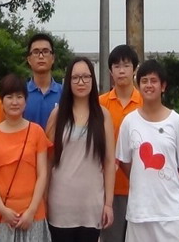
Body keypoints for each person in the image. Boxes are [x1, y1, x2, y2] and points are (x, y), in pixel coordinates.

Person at [116, 60, 179, 242]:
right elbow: (124, 162)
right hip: (139, 213)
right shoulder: (129, 122)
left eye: (154, 81)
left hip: (169, 214)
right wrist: (141, 180)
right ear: (138, 86)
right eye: (144, 81)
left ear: (163, 86)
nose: (149, 85)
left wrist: (169, 183)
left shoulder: (175, 121)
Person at [45, 57, 115, 242]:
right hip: (60, 206)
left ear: (92, 79)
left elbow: (109, 161)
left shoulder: (103, 116)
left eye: (86, 77)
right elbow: (47, 161)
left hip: (92, 206)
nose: (81, 82)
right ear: (68, 82)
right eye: (75, 78)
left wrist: (108, 204)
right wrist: (42, 200)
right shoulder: (57, 115)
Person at [0, 74, 51, 242]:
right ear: (1, 101)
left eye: (19, 97)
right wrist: (2, 209)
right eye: (9, 97)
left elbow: (42, 174)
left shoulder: (36, 132)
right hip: (2, 215)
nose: (14, 102)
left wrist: (31, 211)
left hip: (33, 215)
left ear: (26, 101)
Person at [98, 45, 142, 242]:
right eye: (116, 66)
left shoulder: (145, 103)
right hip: (110, 189)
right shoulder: (100, 104)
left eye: (126, 65)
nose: (121, 70)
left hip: (140, 188)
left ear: (135, 69)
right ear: (110, 72)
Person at [23, 33, 62, 130]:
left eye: (45, 51)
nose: (41, 56)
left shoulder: (65, 93)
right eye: (36, 52)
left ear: (53, 58)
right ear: (29, 60)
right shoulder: (20, 94)